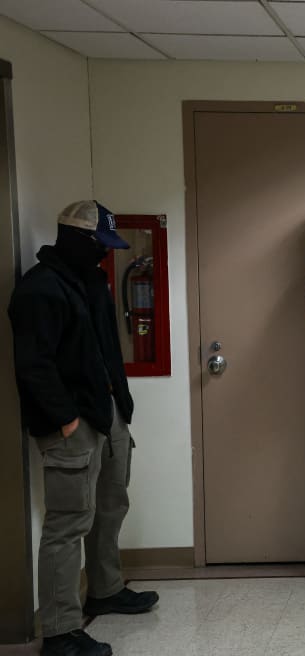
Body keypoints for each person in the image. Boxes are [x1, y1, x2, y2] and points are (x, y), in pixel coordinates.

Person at [8, 201, 159, 656]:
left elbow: (106, 350)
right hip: (70, 422)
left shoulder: (90, 281)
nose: (104, 255)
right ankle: (58, 630)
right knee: (67, 523)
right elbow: (33, 367)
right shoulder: (39, 290)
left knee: (111, 504)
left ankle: (106, 590)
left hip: (107, 412)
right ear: (76, 239)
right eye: (99, 246)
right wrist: (66, 419)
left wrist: (121, 406)